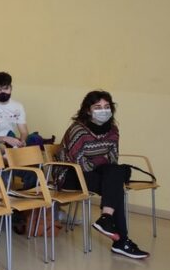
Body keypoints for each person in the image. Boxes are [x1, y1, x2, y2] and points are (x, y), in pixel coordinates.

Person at [58, 91, 149, 259]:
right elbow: (78, 162)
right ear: (88, 110)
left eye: (107, 107)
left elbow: (113, 159)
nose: (103, 110)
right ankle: (121, 241)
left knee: (115, 176)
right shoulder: (78, 130)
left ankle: (107, 218)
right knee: (115, 184)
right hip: (70, 174)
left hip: (96, 173)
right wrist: (101, 162)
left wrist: (102, 164)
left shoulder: (113, 130)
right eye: (98, 107)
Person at [0, 72, 28, 148]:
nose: (3, 92)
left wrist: (22, 142)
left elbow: (24, 132)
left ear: (11, 88)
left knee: (35, 139)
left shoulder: (18, 106)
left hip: (11, 143)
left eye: (6, 88)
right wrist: (4, 139)